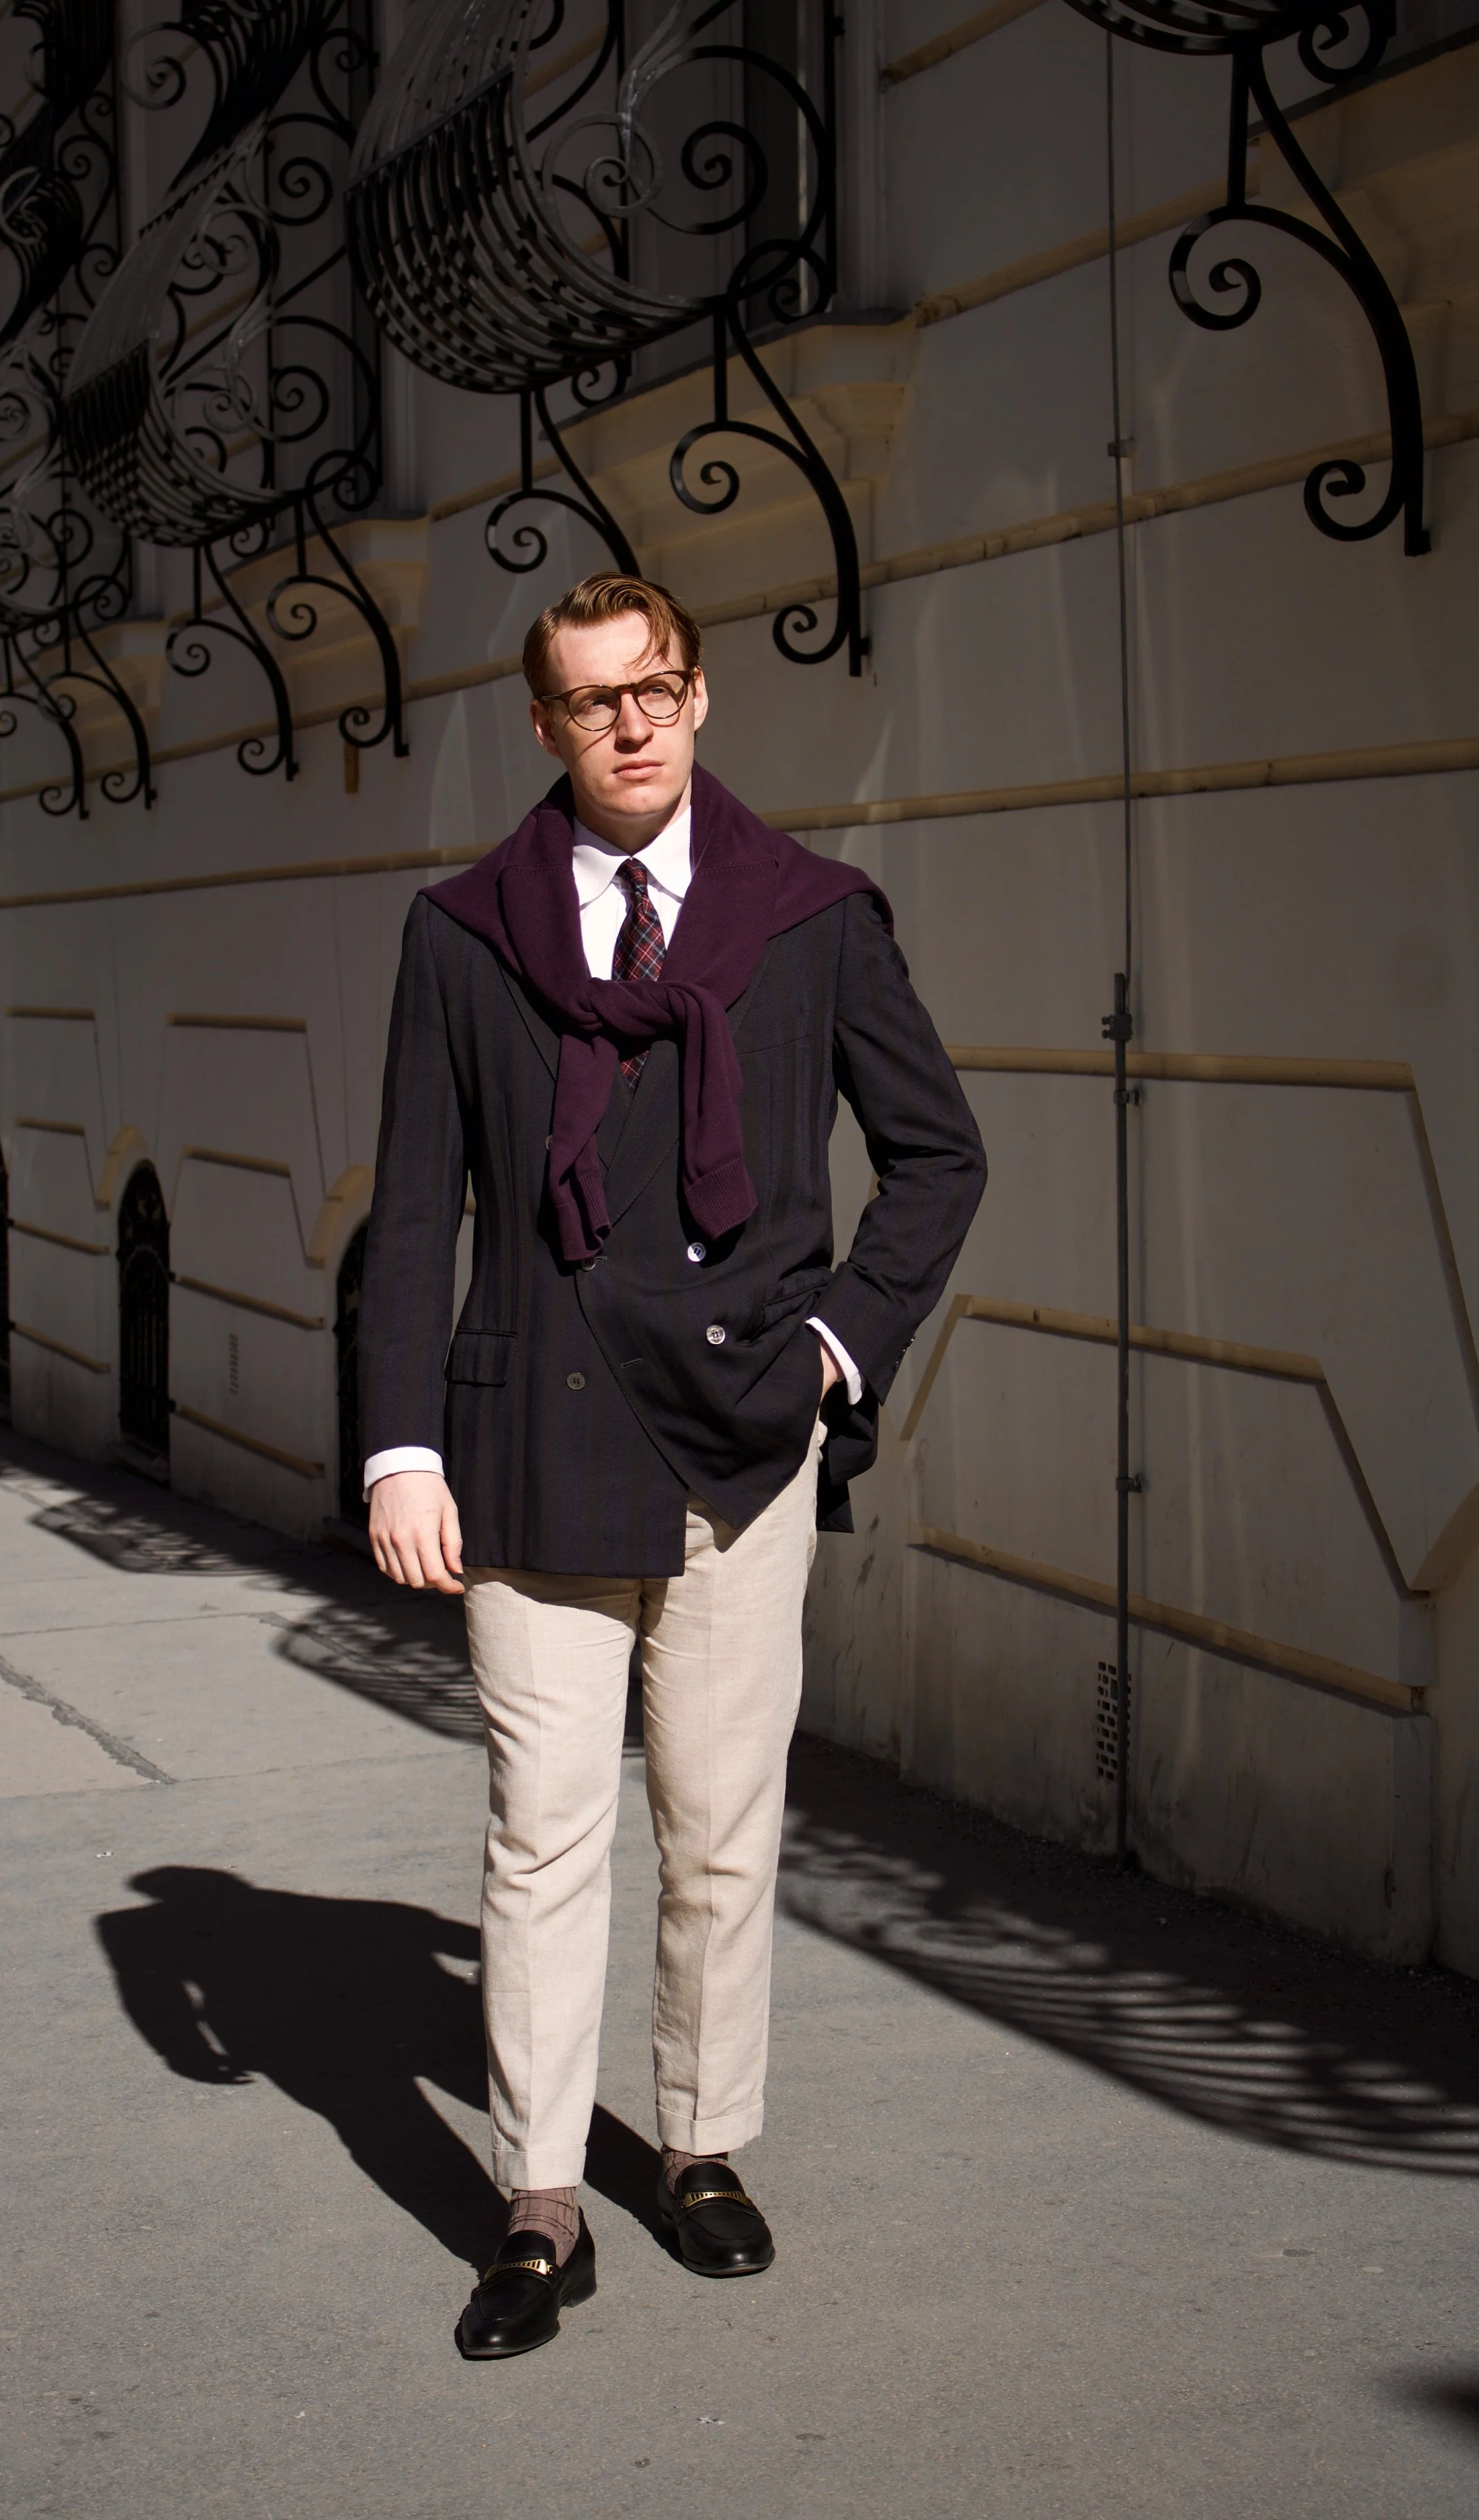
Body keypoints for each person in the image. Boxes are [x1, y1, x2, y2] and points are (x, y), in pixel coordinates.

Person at [360, 572, 986, 2359]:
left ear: (697, 698)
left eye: (655, 689)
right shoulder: (465, 931)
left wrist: (836, 1343)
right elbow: (417, 1205)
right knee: (540, 1842)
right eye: (590, 700)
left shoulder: (810, 919)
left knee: (719, 1835)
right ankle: (539, 2200)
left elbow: (938, 1159)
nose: (629, 724)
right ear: (545, 726)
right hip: (527, 1448)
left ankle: (703, 2148)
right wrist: (403, 1443)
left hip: (742, 1444)